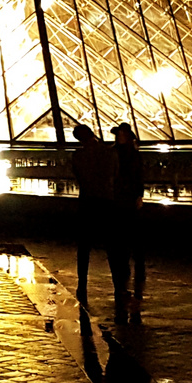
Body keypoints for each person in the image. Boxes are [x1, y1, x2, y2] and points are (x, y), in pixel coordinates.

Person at [70, 123, 119, 315]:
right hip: (107, 201)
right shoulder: (109, 153)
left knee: (84, 247)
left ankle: (82, 284)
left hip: (87, 202)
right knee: (112, 246)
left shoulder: (78, 156)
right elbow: (115, 175)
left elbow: (78, 178)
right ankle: (117, 285)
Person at [110, 123, 146, 323]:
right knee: (126, 235)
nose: (119, 137)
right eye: (118, 134)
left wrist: (139, 195)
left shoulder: (128, 154)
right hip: (122, 199)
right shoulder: (124, 153)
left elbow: (138, 177)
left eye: (121, 134)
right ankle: (132, 267)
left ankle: (131, 267)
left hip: (126, 199)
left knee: (128, 234)